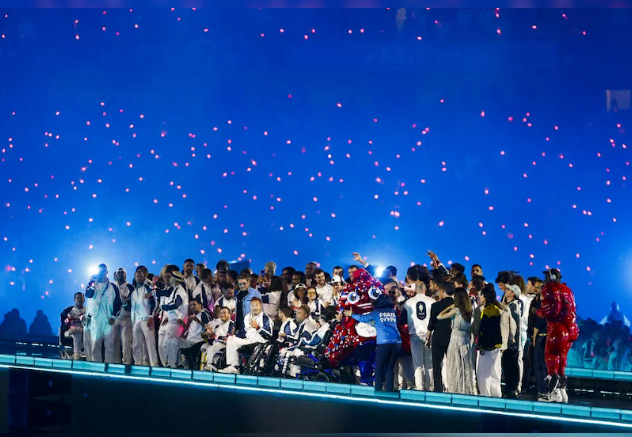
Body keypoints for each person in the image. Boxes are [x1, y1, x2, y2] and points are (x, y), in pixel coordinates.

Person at [537, 268, 579, 404]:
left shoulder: (552, 289)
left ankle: (554, 393)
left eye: (546, 276)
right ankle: (562, 392)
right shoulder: (568, 290)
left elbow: (553, 310)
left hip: (557, 328)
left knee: (552, 358)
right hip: (570, 329)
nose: (544, 280)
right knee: (562, 360)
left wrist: (540, 312)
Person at [345, 292, 401, 392]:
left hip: (384, 342)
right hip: (397, 341)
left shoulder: (376, 312)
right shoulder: (393, 311)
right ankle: (389, 390)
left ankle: (378, 389)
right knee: (390, 367)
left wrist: (351, 314)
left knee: (379, 366)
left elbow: (364, 318)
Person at [470, 283, 508, 398]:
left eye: (480, 296)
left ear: (485, 296)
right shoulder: (502, 309)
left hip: (484, 346)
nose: (479, 298)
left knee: (483, 372)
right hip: (498, 345)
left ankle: (485, 394)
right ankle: (496, 395)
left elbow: (475, 328)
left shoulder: (480, 310)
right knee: (495, 372)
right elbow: (506, 327)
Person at [437, 287, 476, 395]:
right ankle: (465, 389)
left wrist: (449, 307)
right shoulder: (469, 311)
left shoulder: (456, 311)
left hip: (455, 341)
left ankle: (455, 389)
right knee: (465, 367)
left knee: (455, 366)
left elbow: (439, 317)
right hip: (466, 341)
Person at [219, 297, 273, 374]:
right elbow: (242, 332)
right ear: (250, 306)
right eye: (252, 305)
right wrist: (234, 335)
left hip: (260, 342)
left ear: (260, 306)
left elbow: (269, 335)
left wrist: (257, 327)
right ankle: (234, 366)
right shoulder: (247, 317)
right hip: (248, 340)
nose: (255, 307)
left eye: (256, 305)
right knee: (231, 339)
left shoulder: (265, 318)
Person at [401, 281, 435, 391]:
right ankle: (430, 386)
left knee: (417, 362)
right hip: (429, 334)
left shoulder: (408, 302)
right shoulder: (432, 301)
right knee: (429, 362)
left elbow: (403, 320)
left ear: (416, 290)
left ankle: (420, 387)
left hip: (415, 334)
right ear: (425, 289)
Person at [84, 264, 122, 363]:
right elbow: (88, 295)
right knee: (96, 343)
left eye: (103, 271)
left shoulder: (113, 287)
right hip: (96, 318)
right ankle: (96, 365)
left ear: (106, 272)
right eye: (99, 271)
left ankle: (108, 365)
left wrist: (113, 316)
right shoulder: (92, 284)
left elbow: (118, 303)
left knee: (109, 344)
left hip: (108, 318)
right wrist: (93, 284)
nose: (101, 273)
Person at [156, 268, 189, 368]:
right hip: (173, 320)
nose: (169, 279)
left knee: (168, 344)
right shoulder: (176, 289)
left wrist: (166, 307)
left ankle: (174, 364)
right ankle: (174, 364)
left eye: (171, 278)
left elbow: (177, 304)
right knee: (169, 344)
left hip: (177, 321)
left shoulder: (179, 290)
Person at [166, 299, 212, 368]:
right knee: (169, 341)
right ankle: (174, 363)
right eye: (191, 305)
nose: (192, 307)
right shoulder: (192, 316)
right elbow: (191, 330)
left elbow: (209, 327)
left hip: (198, 342)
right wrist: (184, 325)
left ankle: (176, 365)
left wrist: (198, 320)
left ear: (200, 305)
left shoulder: (204, 314)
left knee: (174, 341)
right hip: (189, 341)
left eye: (194, 304)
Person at [427, 281, 455, 392]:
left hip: (438, 338)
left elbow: (431, 324)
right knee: (452, 364)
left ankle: (438, 388)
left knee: (437, 365)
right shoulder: (457, 305)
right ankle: (452, 386)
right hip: (452, 338)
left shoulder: (436, 305)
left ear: (442, 291)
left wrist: (428, 338)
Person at [130, 266, 159, 367]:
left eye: (140, 274)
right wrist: (132, 321)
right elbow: (133, 308)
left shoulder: (149, 288)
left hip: (146, 319)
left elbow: (155, 302)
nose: (138, 275)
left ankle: (154, 365)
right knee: (137, 345)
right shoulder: (133, 292)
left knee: (150, 344)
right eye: (137, 274)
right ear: (134, 276)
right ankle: (138, 365)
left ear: (144, 276)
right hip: (136, 321)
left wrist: (151, 316)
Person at [501, 284, 521, 399]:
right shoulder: (508, 305)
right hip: (509, 341)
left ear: (513, 293)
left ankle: (512, 388)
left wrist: (511, 340)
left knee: (511, 365)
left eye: (508, 290)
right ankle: (510, 387)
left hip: (511, 342)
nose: (506, 291)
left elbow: (513, 325)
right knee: (507, 365)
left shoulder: (513, 306)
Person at [112, 268, 134, 364]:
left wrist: (126, 304)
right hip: (113, 318)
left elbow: (134, 302)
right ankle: (116, 362)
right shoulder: (111, 286)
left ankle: (127, 363)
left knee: (126, 342)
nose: (121, 275)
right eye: (119, 273)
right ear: (115, 275)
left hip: (126, 317)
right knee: (113, 342)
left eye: (123, 273)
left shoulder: (131, 287)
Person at [61, 292, 86, 360]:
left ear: (84, 299)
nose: (80, 300)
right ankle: (76, 355)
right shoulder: (69, 310)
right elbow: (65, 322)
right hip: (70, 331)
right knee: (77, 332)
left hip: (83, 330)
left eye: (81, 298)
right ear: (75, 300)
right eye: (78, 298)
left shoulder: (87, 310)